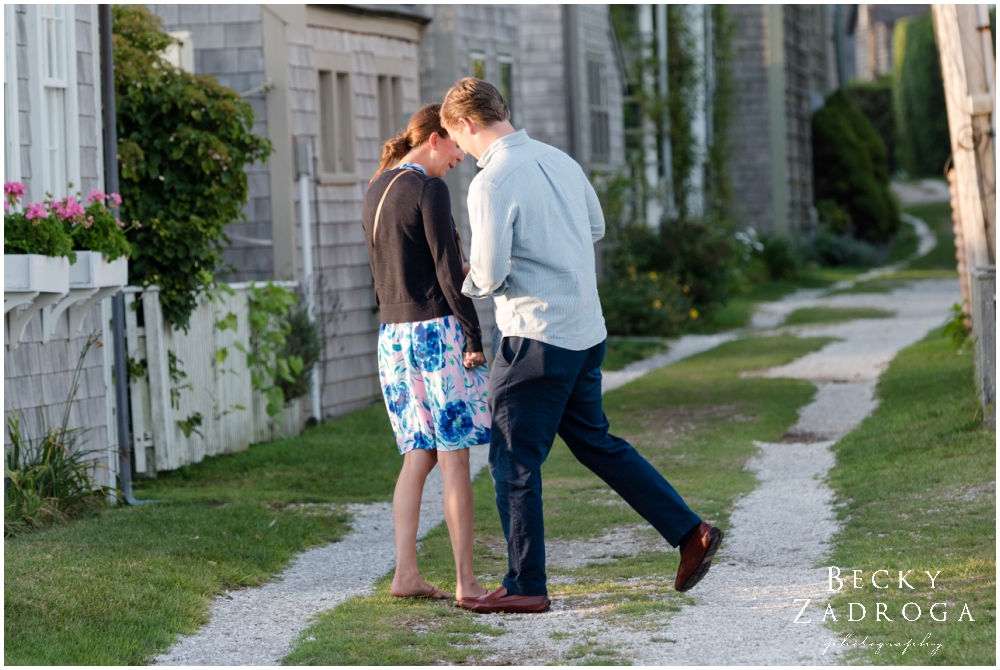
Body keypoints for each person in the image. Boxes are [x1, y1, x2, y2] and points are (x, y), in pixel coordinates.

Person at [439, 78, 724, 614]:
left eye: (459, 138)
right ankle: (690, 533)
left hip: (534, 338)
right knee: (599, 445)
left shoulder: (491, 181)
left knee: (514, 462)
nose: (464, 150)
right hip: (584, 331)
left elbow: (493, 272)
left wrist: (465, 276)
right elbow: (595, 226)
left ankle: (526, 585)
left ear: (466, 125)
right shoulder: (560, 159)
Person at [362, 104, 490, 602]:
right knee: (455, 457)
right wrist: (474, 336)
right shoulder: (428, 188)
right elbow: (448, 269)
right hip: (437, 333)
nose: (460, 156)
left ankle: (406, 574)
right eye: (456, 144)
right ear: (435, 138)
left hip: (392, 336)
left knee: (419, 454)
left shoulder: (377, 186)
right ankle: (467, 582)